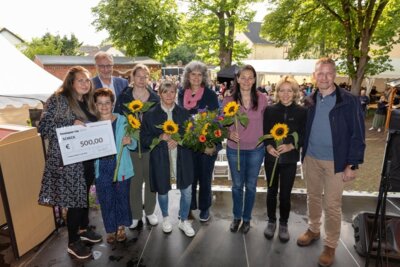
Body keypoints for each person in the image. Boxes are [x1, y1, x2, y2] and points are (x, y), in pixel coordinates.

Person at [297, 58, 365, 267]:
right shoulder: (309, 100)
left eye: (328, 73)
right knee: (313, 197)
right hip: (311, 158)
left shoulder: (349, 101)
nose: (324, 77)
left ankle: (331, 244)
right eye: (320, 73)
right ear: (314, 75)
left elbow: (358, 134)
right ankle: (314, 229)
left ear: (335, 74)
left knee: (332, 205)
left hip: (336, 162)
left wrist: (352, 164)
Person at [38, 66, 102, 259]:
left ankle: (83, 229)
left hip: (87, 158)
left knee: (83, 196)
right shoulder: (58, 99)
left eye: (87, 80)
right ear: (71, 82)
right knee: (75, 201)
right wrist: (69, 124)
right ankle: (73, 242)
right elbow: (43, 127)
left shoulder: (88, 101)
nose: (85, 83)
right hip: (69, 162)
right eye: (80, 80)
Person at [141, 81, 195, 237]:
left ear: (176, 93)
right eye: (165, 92)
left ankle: (183, 220)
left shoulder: (184, 113)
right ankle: (165, 217)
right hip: (160, 157)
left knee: (187, 192)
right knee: (163, 191)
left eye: (172, 92)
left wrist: (178, 140)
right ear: (160, 94)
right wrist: (160, 136)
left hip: (182, 157)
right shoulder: (150, 115)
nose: (169, 95)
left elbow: (192, 136)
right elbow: (144, 139)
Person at [221, 65, 268, 234]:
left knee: (251, 186)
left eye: (250, 77)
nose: (247, 81)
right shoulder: (228, 100)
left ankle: (247, 219)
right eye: (243, 77)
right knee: (237, 186)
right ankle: (236, 217)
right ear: (238, 79)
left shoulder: (262, 99)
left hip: (257, 150)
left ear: (254, 80)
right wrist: (229, 133)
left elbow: (267, 122)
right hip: (235, 150)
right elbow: (221, 123)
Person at [114, 64, 160, 229]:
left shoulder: (154, 98)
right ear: (132, 77)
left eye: (145, 76)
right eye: (138, 76)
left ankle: (149, 211)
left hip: (150, 145)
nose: (141, 79)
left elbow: (160, 120)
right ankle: (135, 215)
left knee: (150, 180)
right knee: (134, 181)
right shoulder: (124, 96)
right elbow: (117, 118)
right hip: (131, 145)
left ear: (149, 78)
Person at [262, 76, 307, 242]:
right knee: (271, 191)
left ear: (295, 93)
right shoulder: (270, 110)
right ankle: (271, 221)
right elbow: (265, 133)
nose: (286, 94)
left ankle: (283, 223)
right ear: (277, 92)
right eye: (282, 90)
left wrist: (291, 146)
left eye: (289, 90)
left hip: (289, 160)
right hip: (271, 159)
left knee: (285, 194)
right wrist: (268, 147)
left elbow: (304, 136)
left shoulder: (302, 112)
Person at [93, 88, 137, 244]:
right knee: (106, 199)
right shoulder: (91, 125)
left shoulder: (124, 120)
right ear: (96, 105)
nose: (104, 106)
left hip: (121, 166)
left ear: (113, 104)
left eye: (107, 103)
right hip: (102, 166)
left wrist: (130, 141)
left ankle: (120, 227)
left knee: (121, 198)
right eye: (100, 103)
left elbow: (134, 143)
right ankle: (110, 230)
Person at [177, 61, 219, 222]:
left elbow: (216, 120)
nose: (195, 77)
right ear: (187, 76)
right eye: (192, 74)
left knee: (205, 177)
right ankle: (189, 206)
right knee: (190, 177)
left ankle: (205, 208)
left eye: (199, 74)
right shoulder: (181, 93)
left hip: (206, 143)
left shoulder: (210, 94)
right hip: (188, 143)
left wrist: (210, 144)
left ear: (204, 77)